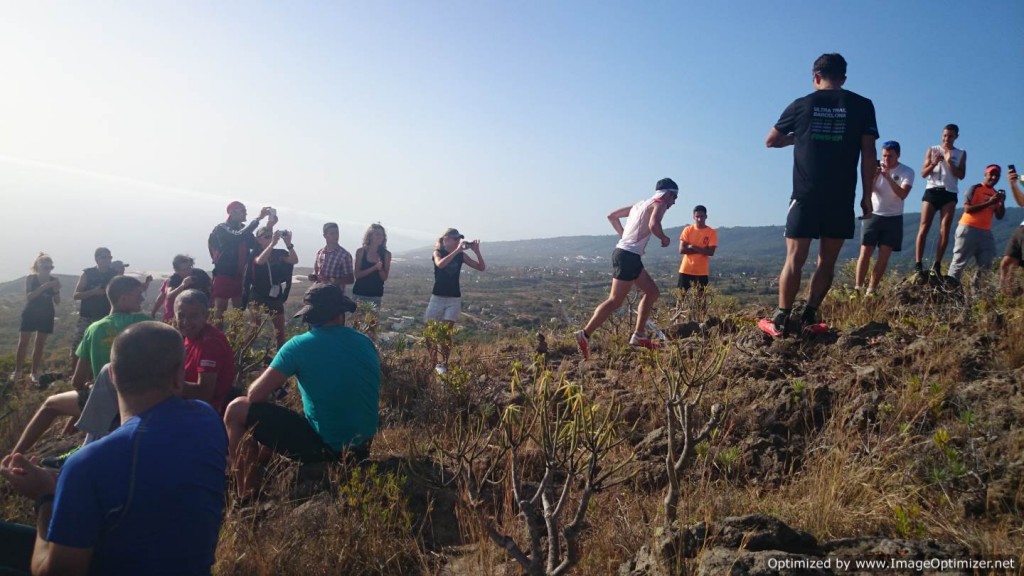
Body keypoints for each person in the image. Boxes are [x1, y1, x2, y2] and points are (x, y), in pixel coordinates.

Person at [0, 322, 227, 576]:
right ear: (177, 377)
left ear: (111, 375)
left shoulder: (89, 464)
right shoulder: (207, 420)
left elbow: (55, 572)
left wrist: (45, 497)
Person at [223, 283, 380, 501]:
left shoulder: (298, 346)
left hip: (327, 449)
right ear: (341, 314)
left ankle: (247, 497)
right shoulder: (365, 341)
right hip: (363, 446)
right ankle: (260, 472)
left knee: (236, 409)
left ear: (310, 317)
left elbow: (254, 396)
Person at [764, 53, 878, 333]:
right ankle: (810, 315)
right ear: (843, 78)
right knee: (827, 261)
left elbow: (771, 140)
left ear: (816, 77)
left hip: (806, 193)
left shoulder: (802, 104)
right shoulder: (863, 106)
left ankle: (781, 317)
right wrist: (867, 195)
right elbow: (869, 153)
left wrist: (799, 138)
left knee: (795, 258)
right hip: (841, 196)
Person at [9, 276, 150, 456]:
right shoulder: (147, 324)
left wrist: (91, 386)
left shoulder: (94, 329)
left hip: (105, 401)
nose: (142, 298)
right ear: (123, 298)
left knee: (50, 405)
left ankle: (12, 457)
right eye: (139, 294)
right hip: (140, 400)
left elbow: (77, 380)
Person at [574, 178, 679, 359]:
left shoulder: (639, 205)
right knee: (615, 300)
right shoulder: (659, 203)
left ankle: (639, 336)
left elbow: (611, 216)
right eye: (675, 197)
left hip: (627, 254)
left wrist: (624, 237)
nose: (674, 202)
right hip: (628, 256)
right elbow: (654, 225)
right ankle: (585, 334)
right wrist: (664, 238)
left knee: (652, 292)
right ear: (668, 193)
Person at [854, 141, 915, 295]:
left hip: (893, 218)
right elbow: (869, 190)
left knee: (883, 256)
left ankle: (871, 290)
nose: (886, 159)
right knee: (865, 253)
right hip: (874, 214)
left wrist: (888, 178)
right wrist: (874, 177)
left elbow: (902, 194)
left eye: (890, 156)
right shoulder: (875, 166)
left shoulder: (907, 172)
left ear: (898, 155)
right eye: (884, 156)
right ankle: (857, 289)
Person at [425, 228, 486, 373]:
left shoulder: (461, 255)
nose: (458, 241)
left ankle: (444, 364)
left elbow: (481, 267)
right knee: (429, 333)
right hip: (437, 297)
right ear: (446, 239)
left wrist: (477, 252)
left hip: (453, 298)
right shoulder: (438, 253)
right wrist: (457, 251)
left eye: (459, 239)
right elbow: (440, 264)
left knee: (446, 333)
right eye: (455, 239)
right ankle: (433, 363)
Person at [914, 124, 967, 277]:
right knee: (924, 226)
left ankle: (937, 264)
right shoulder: (932, 149)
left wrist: (950, 162)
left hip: (949, 193)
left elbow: (961, 175)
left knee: (944, 229)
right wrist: (934, 162)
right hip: (932, 190)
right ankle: (918, 263)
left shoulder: (961, 153)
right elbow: (923, 173)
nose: (946, 139)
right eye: (944, 135)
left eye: (950, 136)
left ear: (956, 137)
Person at [208, 201, 276, 319]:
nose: (246, 213)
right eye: (243, 211)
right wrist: (259, 218)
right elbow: (236, 236)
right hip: (223, 274)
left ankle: (234, 336)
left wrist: (269, 227)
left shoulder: (244, 230)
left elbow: (256, 245)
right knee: (220, 308)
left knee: (238, 310)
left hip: (240, 275)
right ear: (233, 212)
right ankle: (217, 335)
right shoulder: (221, 228)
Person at [947, 165, 1006, 291]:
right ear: (985, 174)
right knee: (959, 262)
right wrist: (989, 203)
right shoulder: (975, 188)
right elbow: (967, 209)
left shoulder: (995, 194)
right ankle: (950, 291)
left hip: (986, 232)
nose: (994, 177)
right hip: (968, 228)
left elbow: (999, 216)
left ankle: (977, 292)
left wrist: (1001, 203)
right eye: (992, 174)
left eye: (997, 175)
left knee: (986, 264)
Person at [245, 226, 298, 347]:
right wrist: (272, 244)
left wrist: (288, 244)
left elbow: (294, 260)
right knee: (255, 327)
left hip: (274, 294)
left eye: (271, 236)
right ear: (258, 240)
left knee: (280, 332)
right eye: (266, 237)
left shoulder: (279, 253)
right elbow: (260, 261)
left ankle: (280, 359)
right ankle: (242, 355)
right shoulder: (255, 253)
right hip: (258, 294)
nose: (270, 239)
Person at [13, 254, 61, 384]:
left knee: (39, 344)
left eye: (50, 267)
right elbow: (30, 296)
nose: (48, 270)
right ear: (38, 266)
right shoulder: (31, 278)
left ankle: (33, 372)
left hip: (46, 313)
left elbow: (57, 301)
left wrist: (56, 290)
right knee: (23, 342)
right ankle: (17, 371)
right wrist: (44, 287)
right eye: (45, 267)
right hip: (30, 312)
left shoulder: (54, 280)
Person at [70, 247, 118, 372]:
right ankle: (75, 374)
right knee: (78, 345)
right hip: (87, 316)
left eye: (109, 257)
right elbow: (76, 295)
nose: (107, 260)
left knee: (105, 346)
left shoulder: (114, 275)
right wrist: (94, 292)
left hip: (107, 317)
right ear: (96, 259)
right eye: (104, 257)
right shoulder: (87, 274)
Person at [677, 205, 718, 302]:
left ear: (706, 216)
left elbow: (711, 252)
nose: (699, 219)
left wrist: (692, 246)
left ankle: (700, 317)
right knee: (680, 299)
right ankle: (679, 317)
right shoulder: (688, 230)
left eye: (702, 216)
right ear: (693, 217)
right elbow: (682, 250)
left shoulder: (711, 232)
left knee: (701, 301)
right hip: (686, 269)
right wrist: (702, 249)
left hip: (701, 271)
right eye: (697, 217)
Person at [352, 223, 392, 309]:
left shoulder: (386, 255)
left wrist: (380, 269)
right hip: (359, 294)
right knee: (356, 321)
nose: (380, 237)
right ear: (370, 236)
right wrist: (374, 268)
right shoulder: (361, 252)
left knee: (371, 322)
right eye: (377, 234)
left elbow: (384, 277)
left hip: (375, 296)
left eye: (382, 235)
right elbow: (357, 275)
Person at [150, 254, 200, 322]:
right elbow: (167, 296)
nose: (188, 271)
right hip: (172, 319)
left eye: (189, 268)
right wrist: (183, 285)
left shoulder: (197, 277)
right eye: (184, 269)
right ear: (177, 270)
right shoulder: (172, 280)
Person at [1000, 164, 1024, 295]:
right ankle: (1007, 299)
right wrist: (1013, 184)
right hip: (1022, 228)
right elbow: (1022, 202)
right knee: (1007, 263)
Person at [310, 222, 354, 291]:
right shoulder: (320, 252)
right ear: (325, 235)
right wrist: (313, 276)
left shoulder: (344, 255)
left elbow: (350, 279)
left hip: (334, 295)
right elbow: (316, 271)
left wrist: (332, 281)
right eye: (332, 233)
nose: (336, 236)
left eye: (337, 233)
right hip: (318, 293)